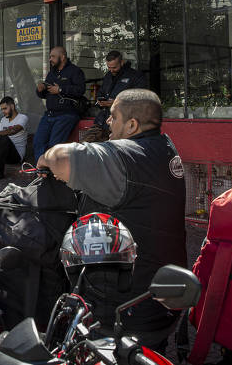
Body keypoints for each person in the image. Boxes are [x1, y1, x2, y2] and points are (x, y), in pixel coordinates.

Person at [36, 89, 187, 353]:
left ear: (132, 125)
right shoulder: (162, 148)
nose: (107, 121)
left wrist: (44, 159)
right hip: (159, 295)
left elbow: (60, 158)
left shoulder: (127, 157)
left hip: (123, 311)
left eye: (113, 116)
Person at [33, 46, 85, 163]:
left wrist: (60, 89)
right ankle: (42, 169)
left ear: (62, 57)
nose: (50, 59)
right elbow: (45, 94)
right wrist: (40, 90)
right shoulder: (52, 73)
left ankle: (52, 171)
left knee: (54, 145)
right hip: (50, 114)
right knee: (38, 141)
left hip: (66, 114)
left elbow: (80, 90)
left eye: (53, 56)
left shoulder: (75, 71)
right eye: (50, 56)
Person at [83, 51, 147, 142]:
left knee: (114, 149)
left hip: (123, 122)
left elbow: (140, 99)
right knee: (85, 145)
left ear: (122, 62)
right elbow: (100, 93)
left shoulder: (136, 76)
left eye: (114, 67)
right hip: (103, 121)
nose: (111, 70)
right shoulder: (108, 76)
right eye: (109, 67)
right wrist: (101, 101)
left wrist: (116, 103)